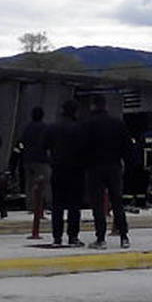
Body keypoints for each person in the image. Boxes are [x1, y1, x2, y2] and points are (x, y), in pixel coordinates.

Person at [82, 95, 132, 249]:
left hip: (94, 167)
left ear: (93, 106)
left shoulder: (88, 124)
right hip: (114, 166)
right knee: (117, 201)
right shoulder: (118, 124)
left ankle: (101, 238)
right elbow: (127, 146)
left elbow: (82, 146)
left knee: (97, 203)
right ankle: (124, 236)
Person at [45, 100, 86, 247]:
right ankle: (73, 236)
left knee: (57, 205)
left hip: (58, 170)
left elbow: (45, 146)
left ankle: (57, 237)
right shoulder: (80, 128)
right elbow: (85, 149)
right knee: (74, 205)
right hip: (76, 170)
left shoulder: (53, 127)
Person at [11, 107, 50, 212]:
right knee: (44, 183)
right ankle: (43, 206)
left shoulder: (27, 128)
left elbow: (20, 143)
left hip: (27, 160)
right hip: (41, 160)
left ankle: (30, 206)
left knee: (30, 184)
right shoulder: (45, 128)